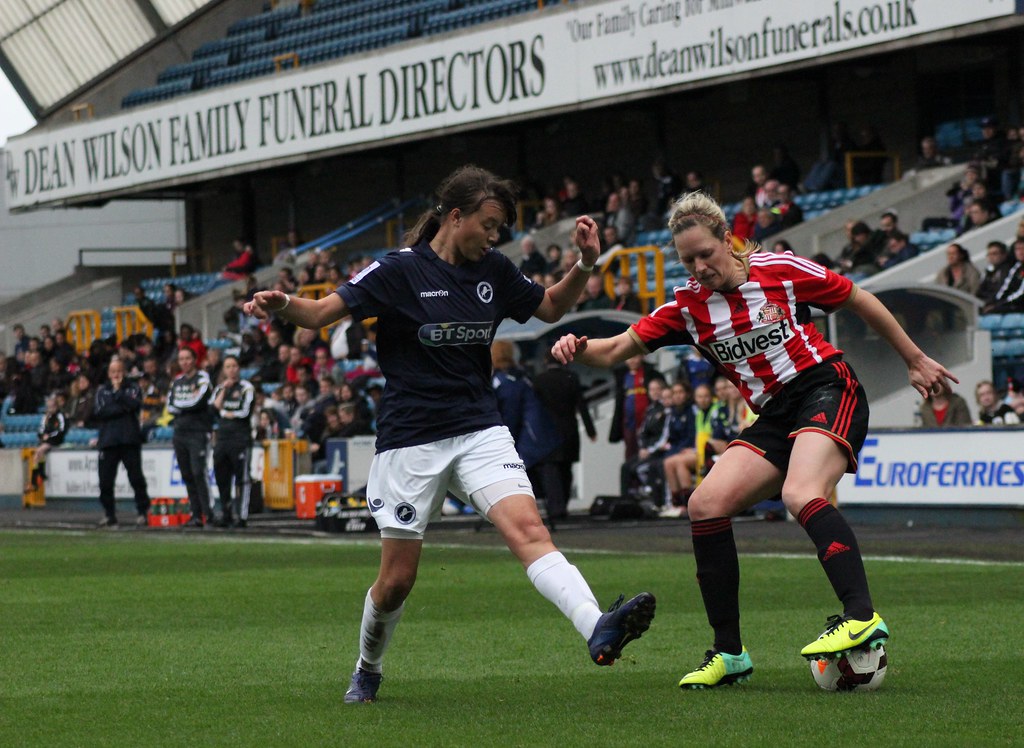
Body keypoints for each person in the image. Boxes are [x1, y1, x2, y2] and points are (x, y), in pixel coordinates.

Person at [243, 164, 655, 704]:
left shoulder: (494, 271)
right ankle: (368, 667)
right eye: (488, 224)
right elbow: (319, 314)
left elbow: (551, 306)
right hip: (411, 439)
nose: (494, 237)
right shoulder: (398, 270)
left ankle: (595, 625)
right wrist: (282, 305)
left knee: (530, 531)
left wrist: (585, 262)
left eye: (500, 228)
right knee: (396, 582)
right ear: (455, 216)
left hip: (479, 428)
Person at [551, 190, 956, 688]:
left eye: (706, 254)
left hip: (826, 387)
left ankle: (861, 615)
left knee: (800, 492)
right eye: (688, 261)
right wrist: (577, 347)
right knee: (704, 504)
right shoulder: (687, 308)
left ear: (728, 239)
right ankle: (730, 654)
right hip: (774, 415)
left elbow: (858, 298)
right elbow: (615, 349)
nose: (699, 268)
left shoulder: (780, 270)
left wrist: (914, 358)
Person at [531, 349, 597, 521]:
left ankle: (556, 507)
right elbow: (581, 405)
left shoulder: (538, 380)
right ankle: (564, 505)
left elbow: (533, 409)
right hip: (569, 430)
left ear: (545, 361)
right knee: (566, 469)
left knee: (550, 470)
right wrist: (591, 430)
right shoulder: (572, 378)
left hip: (546, 431)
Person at [92, 359, 151, 528]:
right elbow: (100, 411)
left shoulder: (133, 388)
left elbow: (135, 405)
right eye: (113, 371)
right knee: (105, 481)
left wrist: (118, 394)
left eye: (118, 371)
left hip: (129, 439)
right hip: (108, 441)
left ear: (124, 372)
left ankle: (142, 512)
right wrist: (122, 406)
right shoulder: (102, 391)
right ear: (108, 374)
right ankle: (109, 514)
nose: (116, 375)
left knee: (136, 478)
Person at [167, 346, 215, 528]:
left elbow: (198, 401)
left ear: (194, 360)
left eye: (188, 358)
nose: (185, 362)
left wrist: (182, 405)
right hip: (180, 432)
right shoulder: (177, 381)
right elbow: (170, 405)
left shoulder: (203, 378)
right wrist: (186, 404)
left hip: (198, 432)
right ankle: (196, 514)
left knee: (198, 472)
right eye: (181, 359)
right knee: (187, 474)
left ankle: (209, 513)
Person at [211, 355, 255, 528]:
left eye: (234, 366)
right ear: (224, 370)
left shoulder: (246, 387)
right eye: (228, 366)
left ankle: (241, 516)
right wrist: (223, 390)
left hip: (240, 438)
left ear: (239, 368)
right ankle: (226, 513)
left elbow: (244, 412)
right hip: (222, 439)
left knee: (242, 478)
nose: (231, 369)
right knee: (222, 477)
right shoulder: (220, 388)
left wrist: (226, 413)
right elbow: (213, 408)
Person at [25, 392, 66, 495]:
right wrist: (42, 435)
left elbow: (61, 430)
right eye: (49, 407)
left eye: (52, 407)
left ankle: (35, 480)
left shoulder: (60, 416)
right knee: (37, 455)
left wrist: (49, 436)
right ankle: (39, 477)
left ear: (56, 406)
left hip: (55, 440)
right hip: (46, 440)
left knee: (39, 451)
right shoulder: (46, 417)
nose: (50, 409)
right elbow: (41, 429)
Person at [976, 241, 1014, 310]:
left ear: (1004, 255)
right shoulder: (988, 272)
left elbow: (1002, 293)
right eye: (989, 254)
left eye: (994, 254)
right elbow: (980, 291)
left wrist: (991, 304)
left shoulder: (1009, 271)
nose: (991, 257)